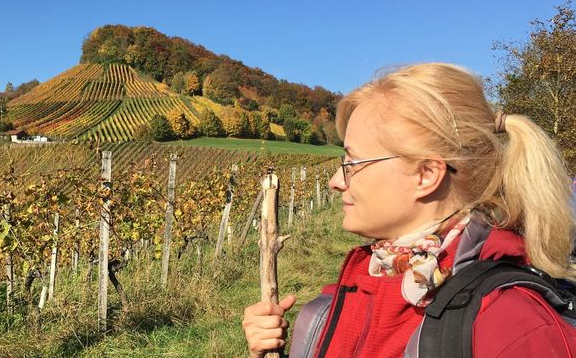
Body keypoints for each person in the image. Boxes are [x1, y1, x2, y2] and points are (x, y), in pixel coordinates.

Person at [242, 63, 576, 357]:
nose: (335, 181)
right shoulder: (361, 285)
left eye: (353, 163)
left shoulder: (513, 329)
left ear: (426, 175)